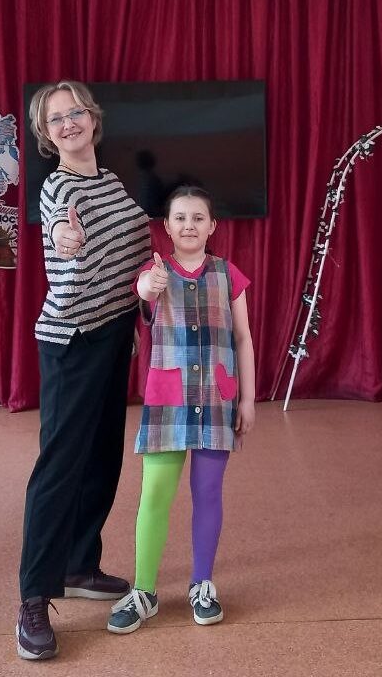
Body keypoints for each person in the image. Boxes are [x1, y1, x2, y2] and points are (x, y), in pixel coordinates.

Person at [15, 80, 152, 661]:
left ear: (93, 119)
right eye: (56, 119)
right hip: (72, 341)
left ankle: (77, 565)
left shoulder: (111, 181)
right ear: (46, 135)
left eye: (75, 112)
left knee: (101, 459)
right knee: (60, 467)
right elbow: (59, 229)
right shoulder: (58, 187)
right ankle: (33, 597)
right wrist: (64, 238)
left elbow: (131, 256)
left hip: (114, 334)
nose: (68, 123)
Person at [107, 186, 256, 634]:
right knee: (155, 494)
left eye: (198, 218)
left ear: (212, 226)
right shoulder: (154, 273)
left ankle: (202, 584)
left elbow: (243, 338)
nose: (189, 225)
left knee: (208, 493)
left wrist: (248, 399)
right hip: (167, 402)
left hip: (216, 399)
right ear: (167, 227)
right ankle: (145, 591)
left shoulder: (228, 275)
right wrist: (146, 287)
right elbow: (143, 293)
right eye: (180, 218)